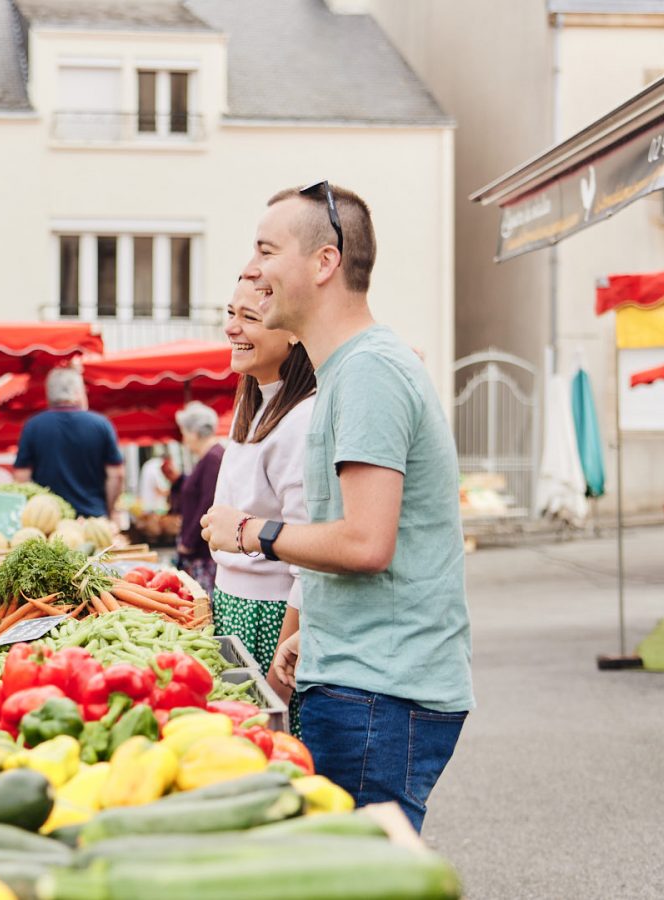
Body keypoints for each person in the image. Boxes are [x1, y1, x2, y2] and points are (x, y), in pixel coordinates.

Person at [201, 182, 472, 832]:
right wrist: (311, 630)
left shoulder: (370, 372)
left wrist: (250, 531)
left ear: (323, 263)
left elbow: (364, 543)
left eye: (266, 251)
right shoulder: (348, 372)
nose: (254, 271)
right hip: (354, 675)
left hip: (378, 689)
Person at [207, 277, 316, 727]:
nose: (232, 328)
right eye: (230, 314)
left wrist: (278, 678)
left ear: (292, 329)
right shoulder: (252, 403)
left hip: (271, 620)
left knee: (269, 748)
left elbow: (311, 560)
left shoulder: (304, 417)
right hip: (234, 607)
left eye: (248, 317)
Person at [12, 367, 124, 518]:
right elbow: (116, 475)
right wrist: (109, 511)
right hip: (93, 519)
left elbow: (21, 477)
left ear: (49, 394)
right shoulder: (101, 424)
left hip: (51, 521)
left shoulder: (33, 426)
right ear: (78, 393)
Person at [171, 402, 224, 596]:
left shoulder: (213, 458)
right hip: (200, 547)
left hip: (203, 551)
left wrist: (189, 541)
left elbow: (208, 503)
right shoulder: (210, 457)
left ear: (194, 432)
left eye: (184, 432)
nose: (184, 439)